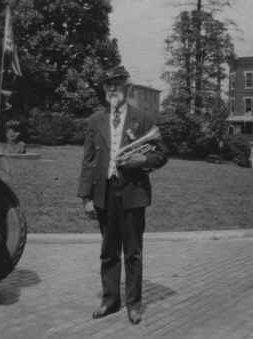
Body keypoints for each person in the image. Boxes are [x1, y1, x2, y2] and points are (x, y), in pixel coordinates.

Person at [77, 65, 167, 324]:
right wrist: (86, 197)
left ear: (127, 88)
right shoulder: (96, 120)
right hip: (104, 192)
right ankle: (110, 300)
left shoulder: (143, 118)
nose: (112, 89)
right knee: (108, 251)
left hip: (133, 193)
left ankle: (134, 304)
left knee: (133, 252)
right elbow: (88, 160)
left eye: (117, 84)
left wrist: (141, 159)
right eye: (108, 85)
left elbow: (162, 154)